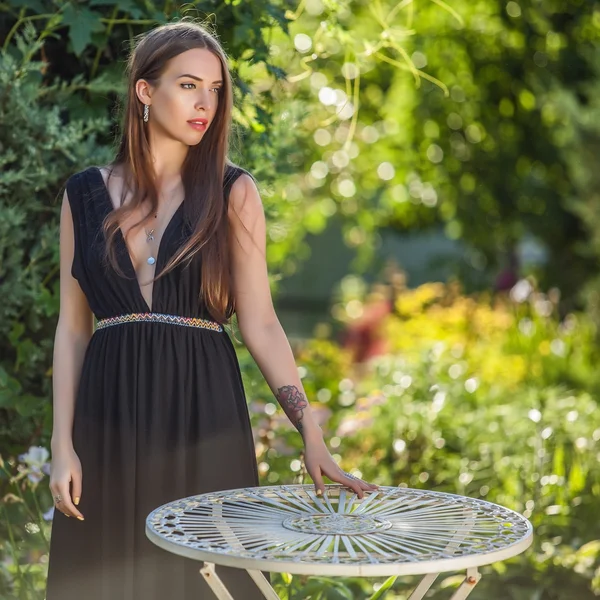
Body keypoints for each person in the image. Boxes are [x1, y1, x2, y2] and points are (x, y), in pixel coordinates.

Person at [46, 20, 377, 600]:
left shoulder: (234, 193)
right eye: (189, 85)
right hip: (108, 412)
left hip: (204, 409)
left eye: (216, 90)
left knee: (208, 576)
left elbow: (262, 322)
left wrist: (310, 431)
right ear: (146, 92)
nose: (206, 103)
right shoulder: (83, 195)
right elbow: (73, 330)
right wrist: (61, 444)